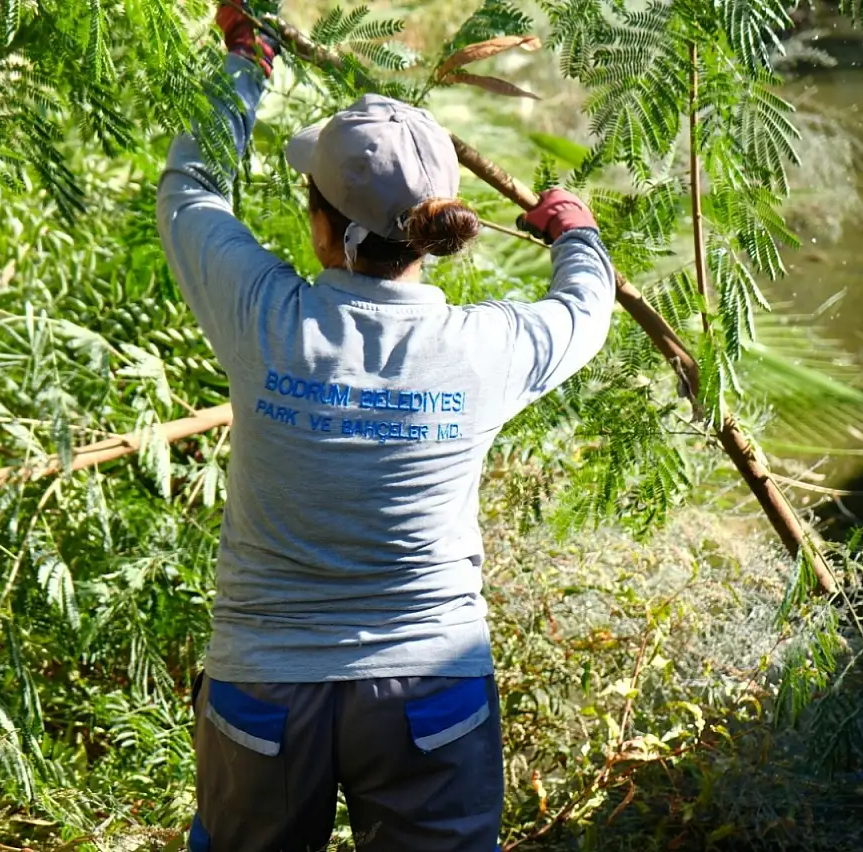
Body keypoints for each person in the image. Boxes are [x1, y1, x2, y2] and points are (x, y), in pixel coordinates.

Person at [155, 4, 616, 851]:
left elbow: (191, 187)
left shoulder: (262, 317)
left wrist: (248, 58)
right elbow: (585, 313)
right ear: (433, 232)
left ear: (321, 226)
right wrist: (576, 235)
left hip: (263, 688)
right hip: (430, 689)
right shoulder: (483, 352)